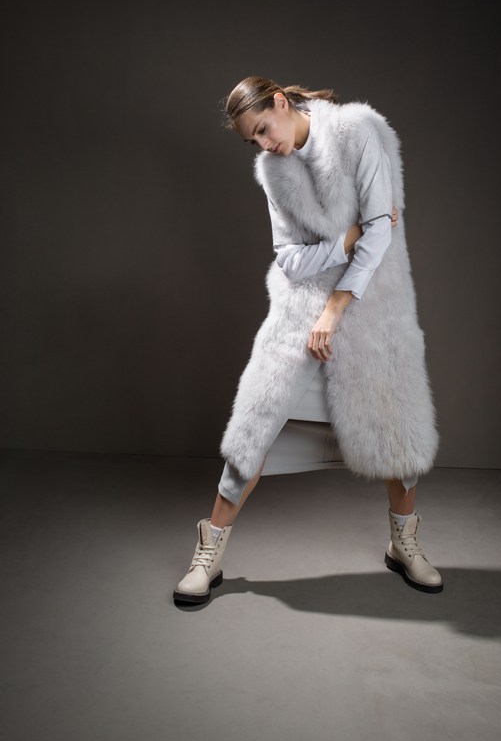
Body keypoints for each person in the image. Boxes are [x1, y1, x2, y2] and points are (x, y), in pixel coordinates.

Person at [173, 76, 443, 605]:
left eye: (263, 129)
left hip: (371, 307)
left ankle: (403, 544)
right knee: (253, 432)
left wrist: (336, 306)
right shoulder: (274, 171)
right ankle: (209, 553)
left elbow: (383, 231)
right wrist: (345, 239)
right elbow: (292, 261)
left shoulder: (359, 131)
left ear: (280, 103)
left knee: (397, 438)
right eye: (253, 140)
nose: (264, 145)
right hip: (300, 316)